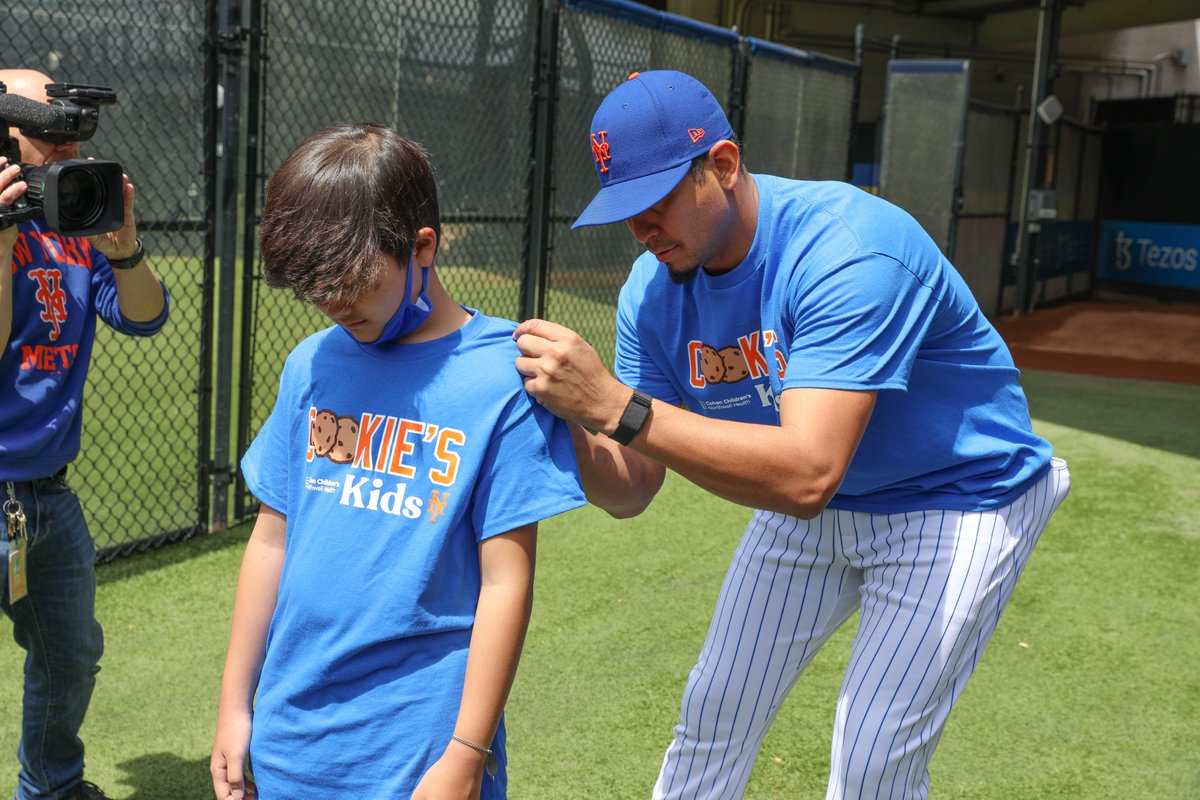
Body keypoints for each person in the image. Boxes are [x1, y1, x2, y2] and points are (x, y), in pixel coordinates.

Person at [513, 70, 1071, 799]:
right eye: (625, 211)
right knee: (713, 711)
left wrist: (617, 406)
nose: (642, 230)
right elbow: (632, 490)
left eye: (656, 202)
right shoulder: (650, 294)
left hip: (957, 496)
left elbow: (808, 474)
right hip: (814, 503)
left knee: (872, 756)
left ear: (722, 164)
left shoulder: (848, 247)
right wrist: (574, 416)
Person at [209, 121, 585, 800]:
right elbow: (271, 540)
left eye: (352, 280)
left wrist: (465, 756)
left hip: (419, 756)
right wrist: (235, 706)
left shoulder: (502, 377)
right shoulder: (311, 364)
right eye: (313, 286)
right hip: (291, 741)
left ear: (423, 247)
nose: (332, 302)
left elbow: (506, 583)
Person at [0, 68, 169, 800]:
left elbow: (144, 315)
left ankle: (52, 787)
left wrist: (123, 249)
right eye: (51, 138)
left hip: (47, 495)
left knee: (70, 657)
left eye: (74, 139)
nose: (69, 152)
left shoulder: (72, 221)